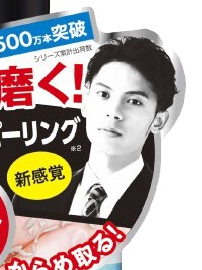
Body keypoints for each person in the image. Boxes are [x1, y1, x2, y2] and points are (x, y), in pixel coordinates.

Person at [13, 35, 178, 228]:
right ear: (85, 102)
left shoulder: (167, 206)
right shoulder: (31, 199)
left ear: (158, 121)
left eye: (134, 101)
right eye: (104, 94)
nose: (114, 113)